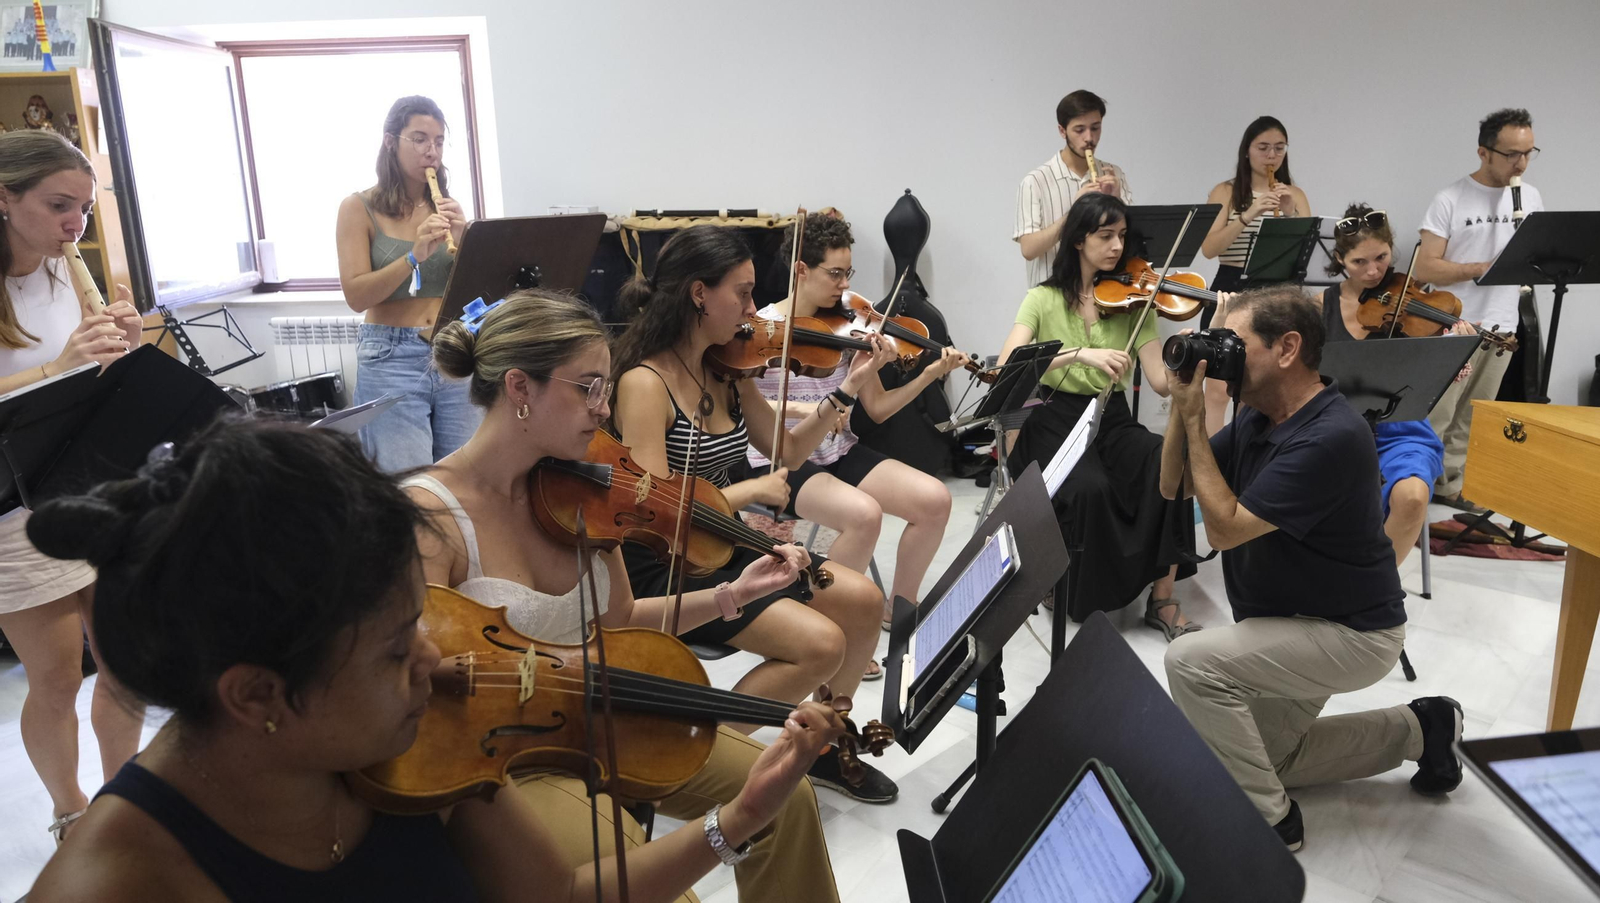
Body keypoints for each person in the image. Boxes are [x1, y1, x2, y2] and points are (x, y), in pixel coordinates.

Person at [22, 417, 845, 901]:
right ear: (256, 694)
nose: (437, 660)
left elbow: (555, 897)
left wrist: (733, 823)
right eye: (393, 649)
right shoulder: (118, 879)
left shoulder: (404, 742)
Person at [413, 288, 842, 901]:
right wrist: (559, 669)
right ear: (519, 389)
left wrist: (730, 595)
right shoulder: (432, 516)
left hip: (604, 719)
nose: (603, 408)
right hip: (507, 761)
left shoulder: (582, 488)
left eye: (606, 387)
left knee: (787, 793)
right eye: (587, 387)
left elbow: (620, 619)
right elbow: (418, 683)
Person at [1158, 286, 1465, 851]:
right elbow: (1172, 485)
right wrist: (1184, 407)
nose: (1223, 354)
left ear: (1287, 348)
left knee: (1192, 664)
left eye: (1236, 343)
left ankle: (1273, 822)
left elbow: (1223, 529)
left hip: (1350, 633)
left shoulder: (1329, 435)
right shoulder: (1260, 416)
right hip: (1290, 621)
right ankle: (1425, 728)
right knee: (1266, 757)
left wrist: (1200, 420)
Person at [610, 225, 897, 803]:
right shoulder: (645, 382)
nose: (752, 309)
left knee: (864, 603)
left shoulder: (728, 369)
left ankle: (824, 748)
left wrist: (843, 395)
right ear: (698, 294)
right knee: (820, 645)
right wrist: (749, 493)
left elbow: (788, 452)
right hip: (672, 565)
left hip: (727, 542)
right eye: (741, 294)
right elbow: (651, 509)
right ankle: (690, 756)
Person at [0, 129, 146, 845]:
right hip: (14, 505)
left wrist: (125, 343)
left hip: (90, 481)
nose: (75, 225)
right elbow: (40, 383)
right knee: (57, 675)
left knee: (127, 657)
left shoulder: (67, 269)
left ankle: (130, 798)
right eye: (60, 205)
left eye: (84, 209)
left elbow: (94, 386)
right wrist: (63, 362)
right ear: (5, 197)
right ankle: (70, 809)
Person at [748, 213, 968, 628]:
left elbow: (879, 408)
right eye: (834, 274)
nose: (845, 285)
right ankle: (836, 625)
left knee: (935, 500)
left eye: (848, 272)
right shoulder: (764, 329)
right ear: (801, 270)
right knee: (864, 515)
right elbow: (753, 412)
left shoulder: (847, 324)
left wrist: (928, 375)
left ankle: (900, 608)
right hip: (782, 461)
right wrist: (811, 409)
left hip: (837, 451)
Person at [997, 193, 1198, 638]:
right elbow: (1008, 364)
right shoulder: (1042, 299)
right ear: (1077, 241)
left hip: (1112, 416)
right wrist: (1078, 355)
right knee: (1090, 487)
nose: (1116, 246)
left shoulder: (1133, 300)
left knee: (1168, 462)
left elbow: (1160, 381)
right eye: (1105, 235)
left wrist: (1187, 352)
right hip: (1053, 416)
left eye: (1121, 236)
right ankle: (1077, 591)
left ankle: (1163, 598)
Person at [1321, 204, 1476, 566]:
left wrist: (1449, 362)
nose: (1374, 270)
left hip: (1400, 428)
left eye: (1382, 257)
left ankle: (1377, 584)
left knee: (1412, 496)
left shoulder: (1415, 297)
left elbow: (1427, 381)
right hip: (1334, 428)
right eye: (1360, 262)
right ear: (1340, 259)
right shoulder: (1319, 307)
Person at [335, 95, 475, 472]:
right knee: (408, 485)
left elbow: (476, 293)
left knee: (463, 478)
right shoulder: (358, 207)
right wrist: (413, 256)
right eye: (419, 139)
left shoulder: (447, 206)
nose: (431, 151)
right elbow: (356, 295)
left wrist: (466, 241)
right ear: (390, 141)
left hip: (452, 349)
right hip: (390, 356)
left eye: (439, 141)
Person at [1413, 108, 1544, 510]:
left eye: (1528, 152)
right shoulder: (1450, 198)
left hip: (1504, 322)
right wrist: (1481, 269)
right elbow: (1424, 266)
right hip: (1456, 324)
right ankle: (1415, 488)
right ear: (1483, 152)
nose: (1520, 163)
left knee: (1474, 414)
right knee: (1439, 412)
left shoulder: (1531, 196)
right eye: (1511, 154)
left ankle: (1451, 487)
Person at [1014, 89, 1132, 288]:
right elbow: (1029, 249)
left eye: (1096, 128)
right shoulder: (1035, 181)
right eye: (1079, 130)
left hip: (1104, 295)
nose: (1089, 138)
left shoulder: (1115, 174)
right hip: (1053, 297)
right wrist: (1073, 214)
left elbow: (1132, 243)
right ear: (1062, 131)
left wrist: (1117, 203)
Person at [1199, 116, 1311, 323]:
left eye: (1279, 148)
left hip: (1280, 288)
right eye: (1263, 148)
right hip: (1232, 283)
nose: (1272, 155)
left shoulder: (1295, 194)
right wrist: (1248, 215)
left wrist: (1290, 214)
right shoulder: (1225, 192)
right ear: (1246, 151)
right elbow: (1209, 249)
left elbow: (1306, 256)